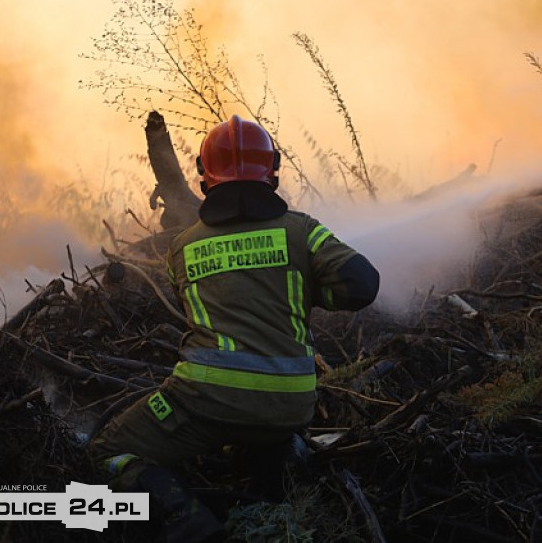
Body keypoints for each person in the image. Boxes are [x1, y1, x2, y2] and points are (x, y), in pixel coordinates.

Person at [90, 115, 380, 542]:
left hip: (206, 401)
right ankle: (281, 460)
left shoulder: (182, 246)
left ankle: (193, 528)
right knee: (261, 434)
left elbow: (203, 306)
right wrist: (303, 294)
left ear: (205, 178)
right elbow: (362, 285)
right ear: (273, 170)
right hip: (291, 405)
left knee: (107, 451)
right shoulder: (302, 231)